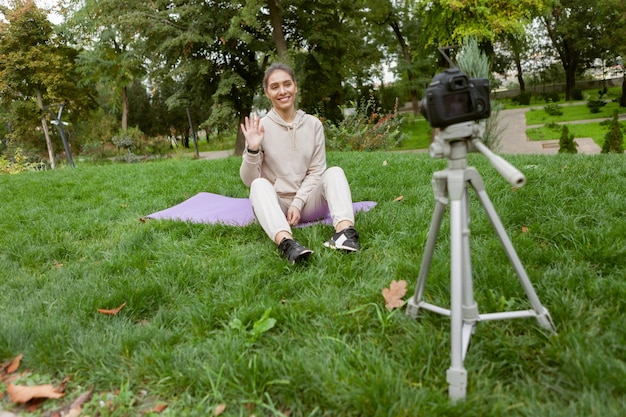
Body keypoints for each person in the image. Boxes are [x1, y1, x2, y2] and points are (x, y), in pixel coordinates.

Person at [239, 63, 360, 264]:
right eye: (275, 86)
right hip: (277, 206)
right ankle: (287, 243)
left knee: (334, 172)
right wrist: (252, 149)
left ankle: (345, 234)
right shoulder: (260, 128)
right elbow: (249, 180)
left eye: (287, 84)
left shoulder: (313, 125)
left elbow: (316, 171)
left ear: (295, 87)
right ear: (267, 92)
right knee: (260, 185)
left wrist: (298, 202)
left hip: (308, 202)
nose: (282, 91)